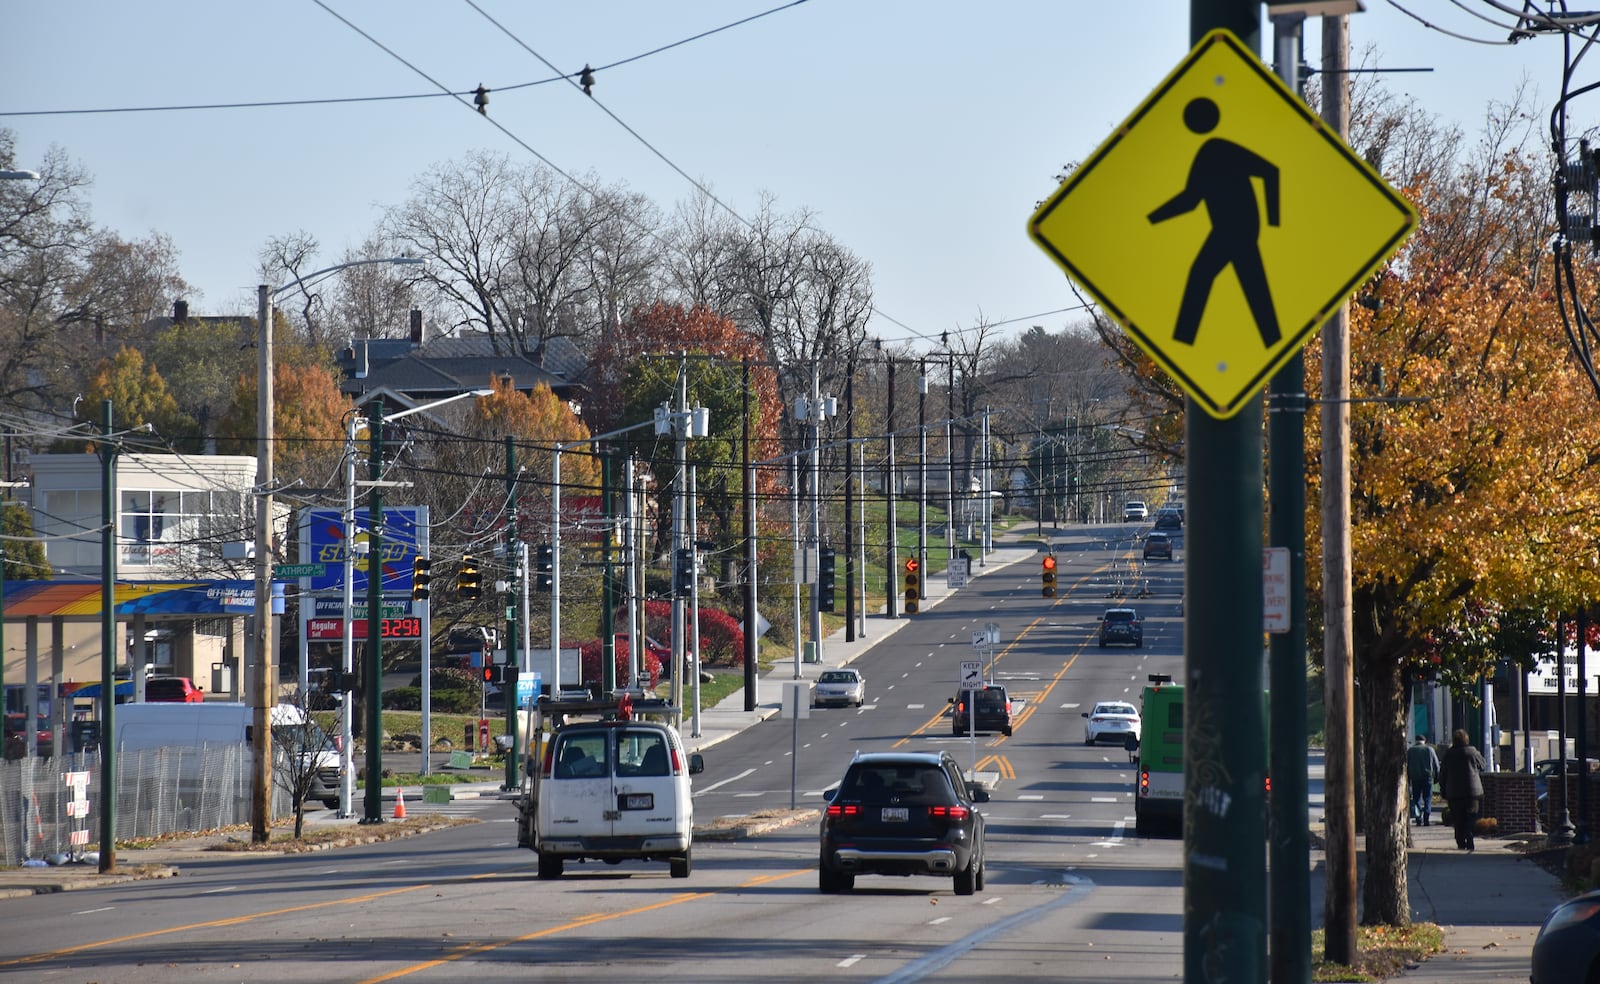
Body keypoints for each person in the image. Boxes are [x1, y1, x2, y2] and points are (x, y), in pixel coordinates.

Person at [1439, 728, 1487, 851]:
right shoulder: (1472, 752)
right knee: (1471, 816)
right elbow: (1483, 765)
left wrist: (1443, 789)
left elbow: (1443, 774)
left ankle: (1460, 841)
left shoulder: (1449, 754)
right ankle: (1469, 834)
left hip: (1454, 792)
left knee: (1458, 818)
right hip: (1472, 792)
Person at [1406, 734, 1441, 826]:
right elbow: (1436, 764)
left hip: (1415, 778)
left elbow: (1406, 766)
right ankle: (1426, 817)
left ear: (1416, 741)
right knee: (1427, 798)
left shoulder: (1410, 751)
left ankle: (1418, 817)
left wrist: (1408, 779)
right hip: (1427, 777)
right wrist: (1437, 777)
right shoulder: (1429, 749)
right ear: (1424, 741)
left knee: (1416, 798)